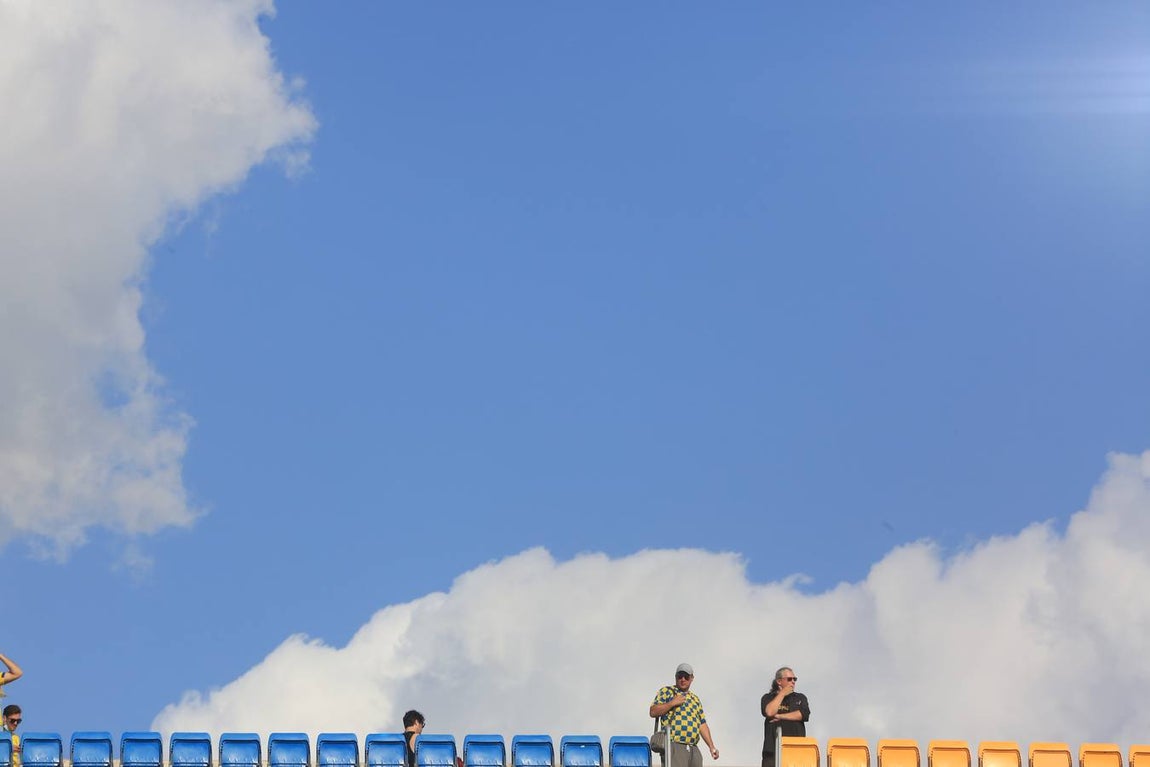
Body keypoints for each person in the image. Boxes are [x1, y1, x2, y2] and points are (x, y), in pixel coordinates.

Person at [649, 663, 719, 767]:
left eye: (686, 677)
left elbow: (702, 724)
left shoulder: (695, 699)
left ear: (692, 678)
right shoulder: (667, 691)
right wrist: (672, 703)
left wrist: (711, 747)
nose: (682, 679)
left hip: (693, 748)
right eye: (679, 676)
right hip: (674, 744)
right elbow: (653, 711)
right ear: (675, 677)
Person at [761, 666, 810, 767]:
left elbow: (803, 714)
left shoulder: (800, 697)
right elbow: (770, 712)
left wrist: (780, 716)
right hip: (772, 752)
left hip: (796, 750)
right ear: (779, 681)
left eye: (794, 679)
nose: (793, 682)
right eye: (789, 679)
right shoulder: (768, 697)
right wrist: (782, 693)